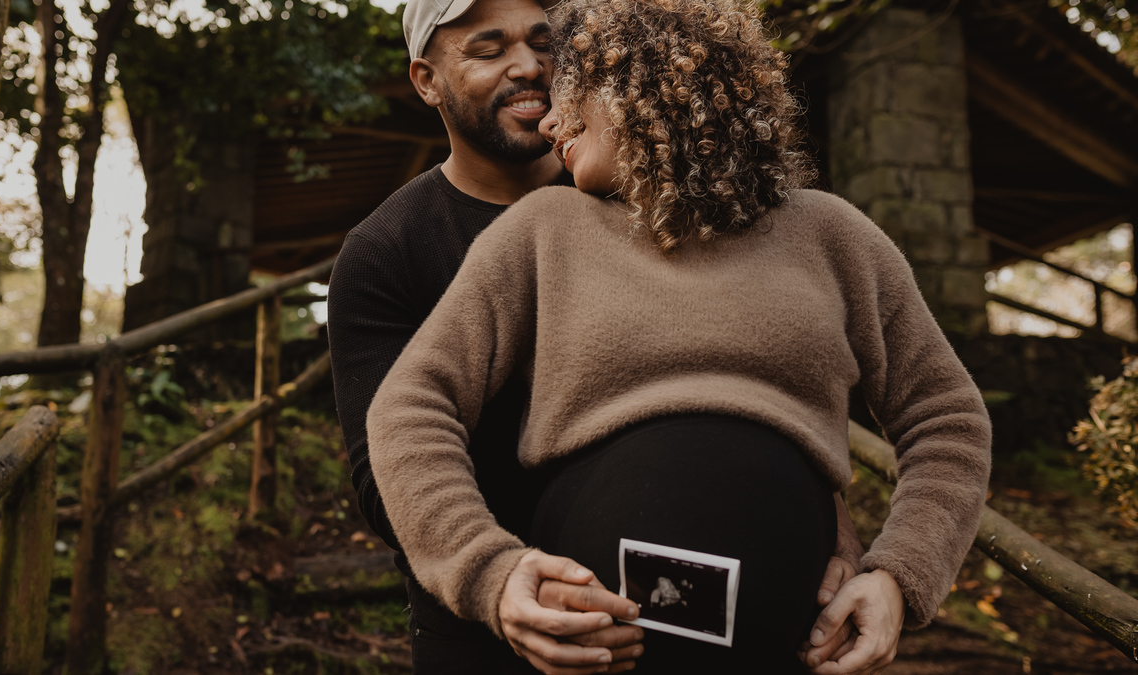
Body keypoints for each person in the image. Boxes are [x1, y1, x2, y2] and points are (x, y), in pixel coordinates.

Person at [361, 0, 993, 673]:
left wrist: (899, 574)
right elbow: (408, 408)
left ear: (642, 81)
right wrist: (487, 570)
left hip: (790, 652)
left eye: (569, 87)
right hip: (591, 649)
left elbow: (948, 419)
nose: (549, 119)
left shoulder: (832, 235)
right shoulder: (542, 231)